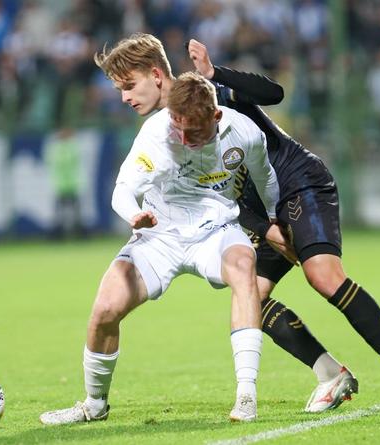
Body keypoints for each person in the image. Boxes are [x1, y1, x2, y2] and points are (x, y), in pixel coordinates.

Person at [96, 33, 380, 414]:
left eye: (129, 84)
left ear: (156, 75)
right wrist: (264, 225)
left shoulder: (206, 94)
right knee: (252, 295)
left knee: (322, 275)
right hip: (257, 209)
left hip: (296, 182)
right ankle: (330, 373)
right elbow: (221, 194)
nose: (125, 96)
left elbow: (274, 93)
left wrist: (216, 71)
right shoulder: (165, 131)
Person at [40, 72, 280, 424]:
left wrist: (274, 220)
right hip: (159, 236)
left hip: (216, 231)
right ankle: (94, 404)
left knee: (244, 266)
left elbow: (265, 177)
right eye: (177, 126)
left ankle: (246, 395)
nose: (183, 137)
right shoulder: (156, 133)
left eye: (193, 131)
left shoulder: (244, 132)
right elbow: (123, 189)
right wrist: (134, 214)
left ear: (215, 117)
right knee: (105, 308)